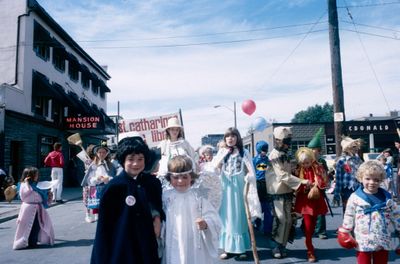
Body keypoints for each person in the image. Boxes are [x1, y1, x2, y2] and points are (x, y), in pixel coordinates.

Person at [91, 136, 164, 264]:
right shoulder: (113, 187)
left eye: (140, 159)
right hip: (123, 247)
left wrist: (157, 217)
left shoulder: (153, 183)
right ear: (122, 160)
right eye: (131, 159)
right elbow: (104, 228)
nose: (136, 164)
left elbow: (158, 206)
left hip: (147, 246)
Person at [337, 160, 400, 264]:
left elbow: (396, 215)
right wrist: (346, 230)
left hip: (383, 238)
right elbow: (349, 214)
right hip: (363, 239)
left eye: (376, 180)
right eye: (367, 179)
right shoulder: (355, 197)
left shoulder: (387, 198)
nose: (371, 182)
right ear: (361, 178)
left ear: (381, 180)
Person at [213, 127, 261, 260]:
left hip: (240, 189)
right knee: (227, 218)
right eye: (227, 136)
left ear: (237, 138)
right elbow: (215, 168)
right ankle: (228, 249)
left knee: (239, 218)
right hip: (226, 189)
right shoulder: (222, 152)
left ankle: (241, 249)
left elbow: (251, 170)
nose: (230, 138)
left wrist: (249, 177)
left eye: (233, 136)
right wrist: (215, 170)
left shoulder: (244, 152)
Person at [162, 155, 222, 264]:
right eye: (176, 177)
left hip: (194, 241)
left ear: (192, 177)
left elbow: (213, 216)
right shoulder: (166, 196)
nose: (180, 181)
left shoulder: (198, 197)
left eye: (185, 177)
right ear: (169, 178)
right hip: (174, 240)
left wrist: (206, 223)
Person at [266, 126, 310, 259]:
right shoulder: (274, 155)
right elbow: (282, 175)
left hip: (287, 190)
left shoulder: (285, 153)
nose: (287, 144)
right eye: (285, 140)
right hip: (277, 191)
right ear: (278, 140)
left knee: (289, 220)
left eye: (289, 140)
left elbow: (289, 170)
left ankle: (282, 245)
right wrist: (302, 182)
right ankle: (275, 245)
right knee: (281, 219)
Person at [293, 147, 328, 263]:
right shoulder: (298, 170)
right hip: (305, 202)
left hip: (316, 199)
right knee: (308, 229)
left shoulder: (318, 168)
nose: (305, 165)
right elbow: (296, 185)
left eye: (307, 162)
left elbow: (325, 182)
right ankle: (310, 251)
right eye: (303, 163)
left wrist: (316, 184)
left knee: (312, 226)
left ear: (311, 160)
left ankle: (310, 243)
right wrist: (304, 185)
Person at [13, 167, 55, 250]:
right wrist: (27, 183)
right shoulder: (23, 185)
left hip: (39, 208)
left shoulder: (39, 185)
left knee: (38, 225)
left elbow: (45, 199)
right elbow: (23, 195)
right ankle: (22, 242)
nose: (37, 176)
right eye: (35, 174)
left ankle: (33, 242)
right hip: (28, 208)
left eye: (37, 174)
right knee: (26, 226)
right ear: (29, 176)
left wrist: (49, 195)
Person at [81, 143, 116, 223]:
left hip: (104, 186)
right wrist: (96, 179)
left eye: (103, 152)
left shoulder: (110, 164)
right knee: (88, 201)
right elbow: (89, 178)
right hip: (93, 186)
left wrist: (108, 178)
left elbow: (113, 175)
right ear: (96, 153)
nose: (102, 154)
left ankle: (98, 215)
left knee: (100, 202)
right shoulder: (92, 164)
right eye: (100, 152)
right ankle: (88, 215)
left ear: (106, 153)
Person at [157, 117, 197, 187]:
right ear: (168, 130)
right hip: (169, 179)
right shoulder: (163, 144)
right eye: (172, 129)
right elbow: (157, 161)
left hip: (184, 178)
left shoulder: (184, 143)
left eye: (177, 129)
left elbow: (193, 157)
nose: (175, 132)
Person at [307, 128, 329, 240]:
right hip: (308, 188)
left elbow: (326, 175)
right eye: (311, 149)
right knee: (308, 210)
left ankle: (321, 231)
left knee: (320, 211)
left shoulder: (322, 162)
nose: (313, 152)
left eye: (315, 150)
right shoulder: (306, 161)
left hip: (319, 188)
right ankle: (307, 228)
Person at [334, 136, 363, 215]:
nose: (356, 148)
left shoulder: (358, 159)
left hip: (358, 188)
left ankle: (357, 227)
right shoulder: (341, 161)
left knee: (359, 210)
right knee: (348, 211)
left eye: (356, 146)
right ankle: (347, 227)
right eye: (354, 147)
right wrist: (336, 193)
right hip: (347, 189)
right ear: (347, 148)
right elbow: (338, 179)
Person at [252, 140, 273, 236]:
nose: (265, 151)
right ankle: (257, 222)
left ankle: (267, 229)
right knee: (257, 206)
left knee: (267, 208)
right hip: (257, 184)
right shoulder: (254, 160)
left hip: (267, 184)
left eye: (266, 149)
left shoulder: (268, 160)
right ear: (259, 150)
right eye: (263, 150)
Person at [197, 144, 222, 210]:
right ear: (204, 156)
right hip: (207, 187)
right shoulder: (202, 165)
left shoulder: (215, 163)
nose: (210, 156)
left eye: (211, 154)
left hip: (216, 186)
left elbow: (219, 172)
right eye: (207, 155)